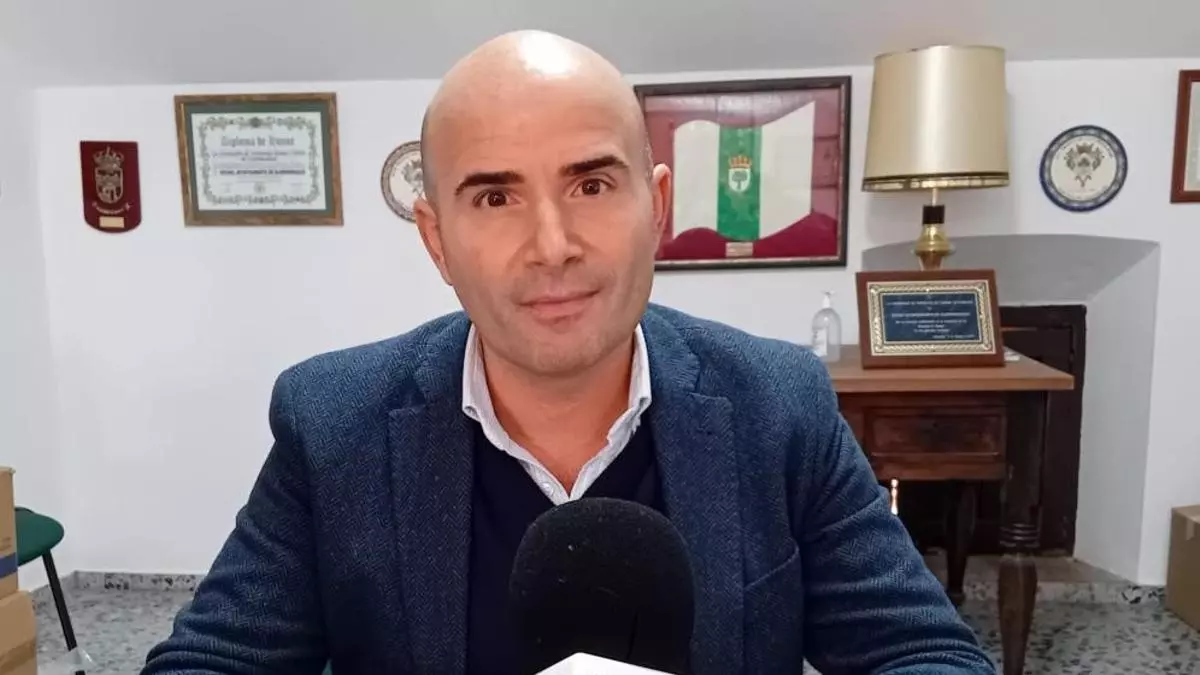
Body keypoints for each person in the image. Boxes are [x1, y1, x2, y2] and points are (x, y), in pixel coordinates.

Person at [142, 30, 995, 675]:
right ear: (437, 241)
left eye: (591, 184)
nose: (552, 246)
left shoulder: (779, 404)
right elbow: (208, 661)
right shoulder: (333, 423)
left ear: (657, 208)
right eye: (495, 197)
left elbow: (924, 652)